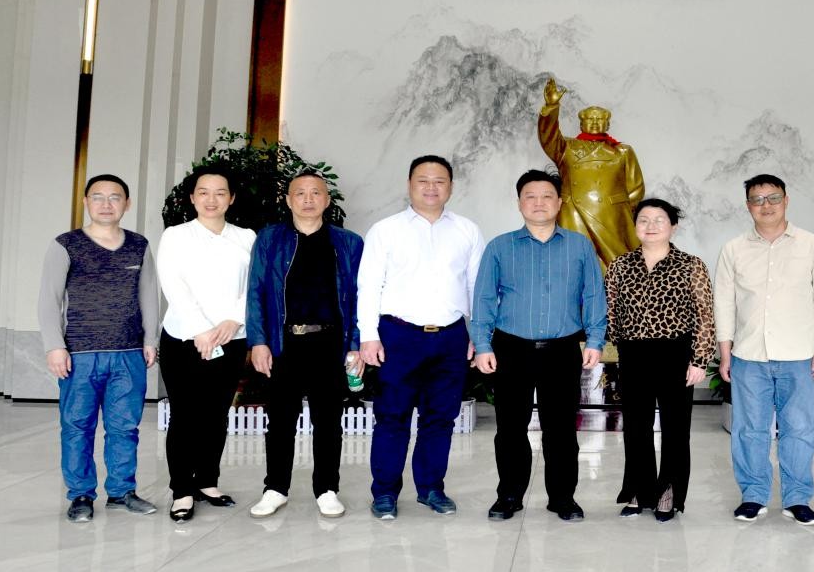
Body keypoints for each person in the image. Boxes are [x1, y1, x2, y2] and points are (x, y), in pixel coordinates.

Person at [471, 169, 607, 522]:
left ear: (559, 202)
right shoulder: (500, 247)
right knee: (510, 429)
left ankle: (562, 498)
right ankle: (509, 495)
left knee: (561, 429)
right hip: (511, 348)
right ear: (519, 203)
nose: (539, 203)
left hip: (562, 349)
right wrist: (482, 345)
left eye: (547, 196)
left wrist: (595, 339)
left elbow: (594, 295)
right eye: (530, 196)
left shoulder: (579, 245)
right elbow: (483, 299)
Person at [357, 156, 485, 521]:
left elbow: (477, 288)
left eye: (439, 181)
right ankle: (385, 492)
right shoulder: (385, 230)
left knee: (440, 418)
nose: (431, 187)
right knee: (392, 417)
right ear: (409, 184)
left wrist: (477, 334)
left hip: (450, 337)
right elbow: (369, 286)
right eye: (423, 180)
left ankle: (431, 488)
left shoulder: (467, 231)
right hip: (398, 335)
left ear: (451, 187)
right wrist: (369, 336)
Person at [714, 174, 814, 525]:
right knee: (748, 430)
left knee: (798, 428)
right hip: (748, 354)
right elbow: (724, 303)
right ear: (748, 206)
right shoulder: (734, 249)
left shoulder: (811, 245)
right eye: (758, 199)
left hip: (799, 354)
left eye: (773, 198)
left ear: (786, 201)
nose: (766, 205)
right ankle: (753, 495)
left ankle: (797, 498)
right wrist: (725, 352)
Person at [38, 174, 160, 522]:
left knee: (125, 428)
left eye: (115, 197)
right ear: (86, 202)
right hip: (79, 355)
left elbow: (149, 294)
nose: (107, 204)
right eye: (98, 197)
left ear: (127, 204)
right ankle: (80, 495)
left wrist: (150, 339)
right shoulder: (66, 244)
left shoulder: (138, 245)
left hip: (128, 354)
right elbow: (49, 299)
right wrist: (54, 346)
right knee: (77, 427)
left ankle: (122, 492)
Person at [245, 170, 364, 519]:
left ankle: (327, 489)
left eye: (316, 193)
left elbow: (360, 297)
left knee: (328, 421)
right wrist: (258, 341)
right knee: (280, 420)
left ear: (327, 200)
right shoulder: (270, 239)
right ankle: (275, 488)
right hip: (283, 343)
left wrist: (355, 345)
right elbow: (255, 292)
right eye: (300, 193)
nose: (308, 199)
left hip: (330, 342)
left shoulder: (348, 243)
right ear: (288, 200)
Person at [157, 166, 256, 522]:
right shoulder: (176, 236)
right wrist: (201, 329)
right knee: (184, 415)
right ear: (192, 197)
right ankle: (182, 490)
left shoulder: (246, 237)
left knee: (216, 414)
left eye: (220, 192)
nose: (211, 199)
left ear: (231, 198)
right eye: (203, 192)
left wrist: (233, 320)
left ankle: (207, 481)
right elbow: (173, 283)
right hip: (184, 339)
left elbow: (254, 285)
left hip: (231, 338)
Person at [606, 198, 715, 522]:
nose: (650, 226)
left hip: (676, 356)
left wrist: (699, 360)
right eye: (644, 220)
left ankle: (669, 492)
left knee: (676, 429)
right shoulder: (620, 265)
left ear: (673, 226)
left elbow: (705, 316)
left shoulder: (691, 265)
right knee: (635, 428)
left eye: (659, 220)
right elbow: (610, 312)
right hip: (633, 355)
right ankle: (639, 490)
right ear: (635, 226)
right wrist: (620, 346)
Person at [538, 77, 645, 265]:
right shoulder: (566, 147)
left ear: (608, 124)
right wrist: (551, 107)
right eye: (590, 119)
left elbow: (636, 188)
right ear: (581, 124)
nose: (595, 123)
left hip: (611, 217)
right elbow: (548, 136)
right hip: (574, 214)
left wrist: (621, 211)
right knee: (575, 262)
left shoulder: (623, 151)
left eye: (600, 119)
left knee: (618, 267)